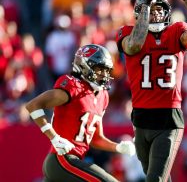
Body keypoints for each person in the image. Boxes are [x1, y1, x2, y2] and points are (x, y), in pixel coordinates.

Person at [115, 0, 187, 182]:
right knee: (158, 178)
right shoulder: (127, 33)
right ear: (140, 12)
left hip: (169, 118)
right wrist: (147, 1)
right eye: (151, 10)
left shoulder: (176, 31)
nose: (156, 13)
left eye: (160, 9)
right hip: (141, 118)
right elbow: (135, 45)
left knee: (155, 179)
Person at [25, 44, 136, 182]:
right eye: (99, 69)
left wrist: (118, 147)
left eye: (106, 70)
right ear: (84, 66)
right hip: (62, 160)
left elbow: (96, 139)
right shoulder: (73, 86)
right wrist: (54, 137)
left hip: (72, 162)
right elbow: (33, 105)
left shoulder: (103, 96)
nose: (104, 74)